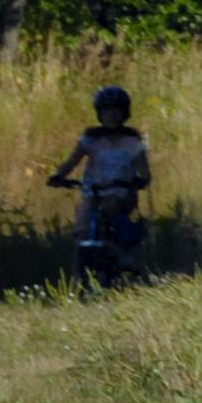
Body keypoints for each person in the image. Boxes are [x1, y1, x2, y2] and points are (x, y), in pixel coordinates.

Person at [45, 85, 151, 272]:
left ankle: (122, 255)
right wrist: (59, 177)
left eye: (115, 110)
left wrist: (139, 181)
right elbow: (73, 161)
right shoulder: (91, 137)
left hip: (121, 191)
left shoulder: (132, 139)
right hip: (93, 191)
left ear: (124, 112)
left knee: (110, 209)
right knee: (82, 227)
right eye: (106, 110)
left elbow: (144, 170)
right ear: (99, 113)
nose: (111, 115)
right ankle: (77, 277)